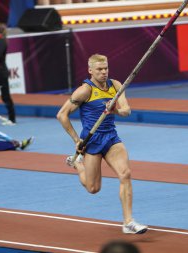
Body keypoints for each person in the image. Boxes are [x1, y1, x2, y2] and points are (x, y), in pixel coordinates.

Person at [56, 54, 148, 234]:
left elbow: (127, 111)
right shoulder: (84, 90)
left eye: (105, 68)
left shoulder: (116, 85)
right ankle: (77, 164)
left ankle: (128, 222)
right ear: (90, 70)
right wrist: (77, 140)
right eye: (99, 69)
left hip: (111, 138)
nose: (104, 72)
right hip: (92, 140)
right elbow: (62, 115)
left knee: (125, 174)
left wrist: (115, 111)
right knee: (93, 188)